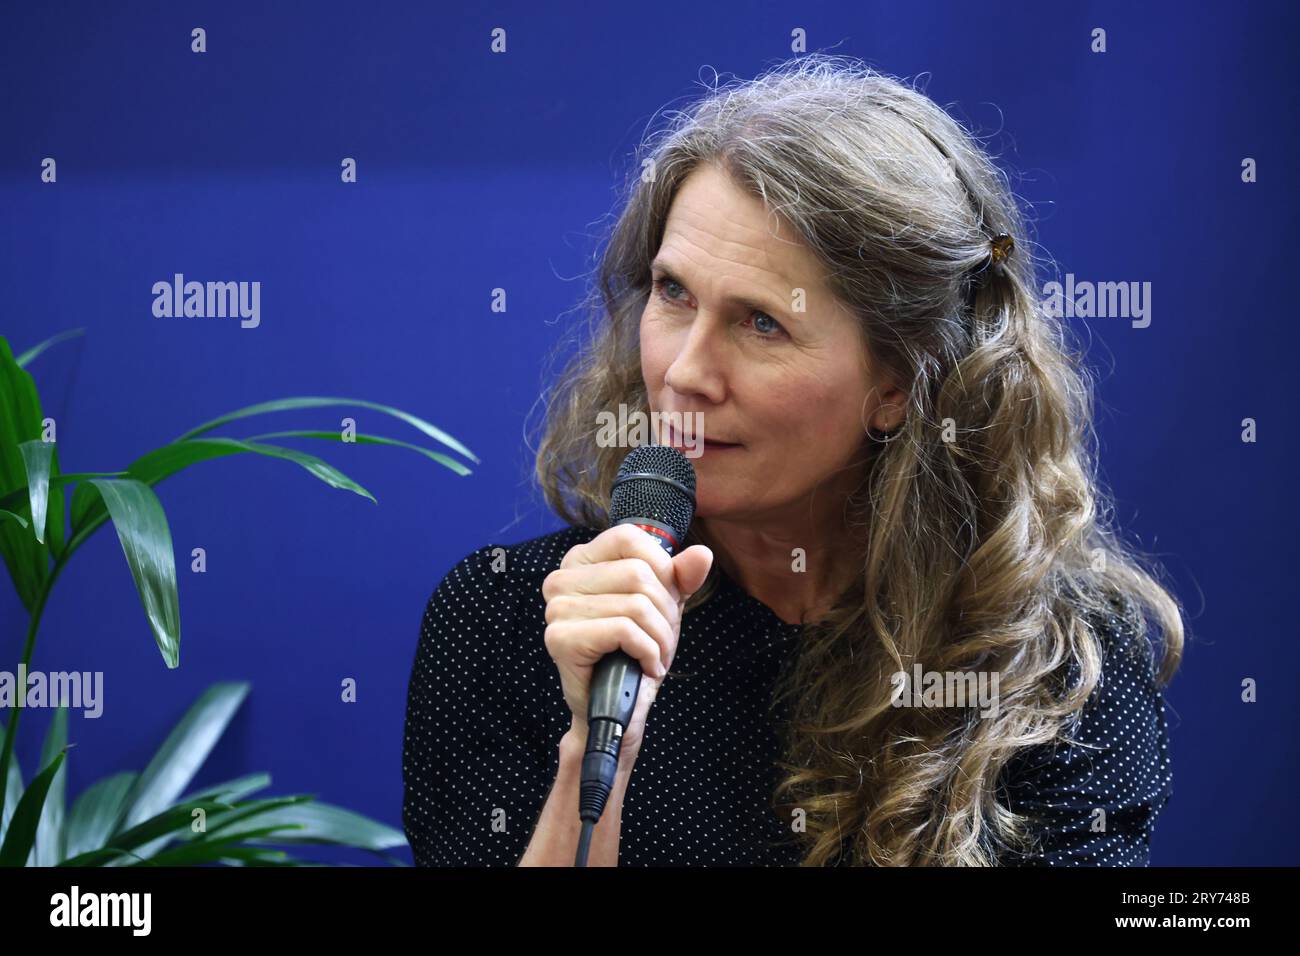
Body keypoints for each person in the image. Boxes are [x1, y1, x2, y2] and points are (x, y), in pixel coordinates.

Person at [402, 54, 1185, 866]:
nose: (684, 372)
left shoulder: (1059, 663)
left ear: (898, 381)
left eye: (761, 324)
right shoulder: (501, 622)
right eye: (674, 294)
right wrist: (595, 753)